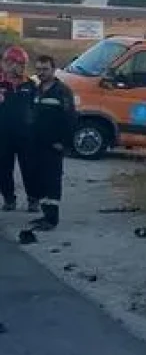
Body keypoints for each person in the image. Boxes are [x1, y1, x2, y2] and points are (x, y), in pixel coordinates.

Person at [28, 54, 76, 228]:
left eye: (45, 69)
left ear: (54, 70)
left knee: (52, 181)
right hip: (36, 144)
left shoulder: (62, 91)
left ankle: (52, 219)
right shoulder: (37, 89)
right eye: (38, 69)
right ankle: (45, 214)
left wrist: (64, 142)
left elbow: (70, 118)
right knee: (39, 180)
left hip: (54, 145)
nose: (41, 73)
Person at [0, 45, 38, 213]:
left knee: (30, 169)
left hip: (26, 136)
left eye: (23, 64)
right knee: (3, 169)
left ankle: (33, 199)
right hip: (3, 136)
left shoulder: (30, 86)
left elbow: (38, 111)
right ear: (7, 63)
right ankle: (9, 199)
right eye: (18, 63)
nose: (21, 68)